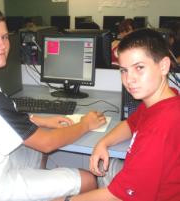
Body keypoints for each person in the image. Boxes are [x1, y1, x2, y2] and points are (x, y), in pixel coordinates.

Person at [0, 4, 106, 201]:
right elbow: (47, 143)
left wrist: (42, 120)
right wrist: (86, 124)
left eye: (4, 37)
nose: (2, 45)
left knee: (33, 150)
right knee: (87, 179)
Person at [54, 28, 180, 201]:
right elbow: (131, 124)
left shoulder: (159, 129)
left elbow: (118, 196)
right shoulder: (162, 99)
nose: (129, 79)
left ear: (164, 66)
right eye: (123, 70)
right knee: (108, 167)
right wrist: (103, 143)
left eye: (139, 68)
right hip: (148, 185)